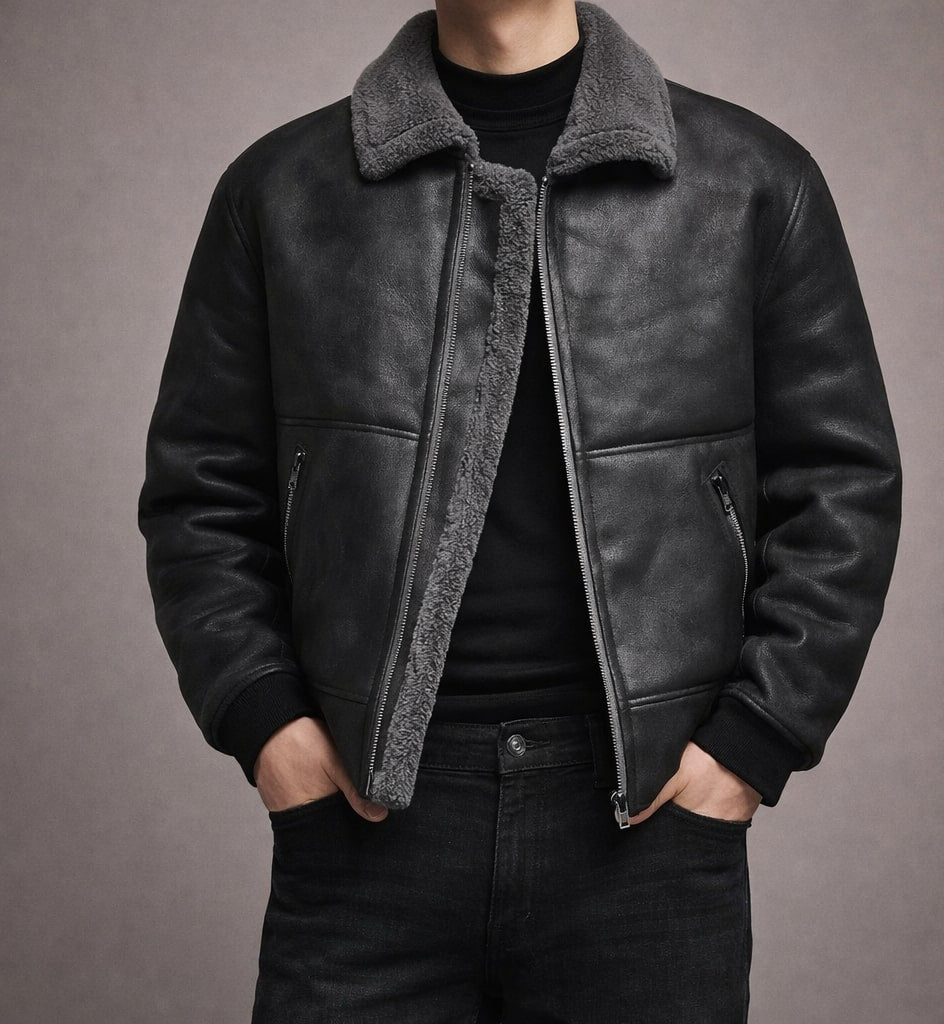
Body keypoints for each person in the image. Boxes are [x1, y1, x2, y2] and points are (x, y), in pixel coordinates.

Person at [137, 1, 902, 1020]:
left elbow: (842, 486)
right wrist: (266, 720)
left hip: (647, 829)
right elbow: (200, 489)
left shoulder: (752, 180)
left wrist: (751, 743)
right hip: (366, 828)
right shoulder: (280, 190)